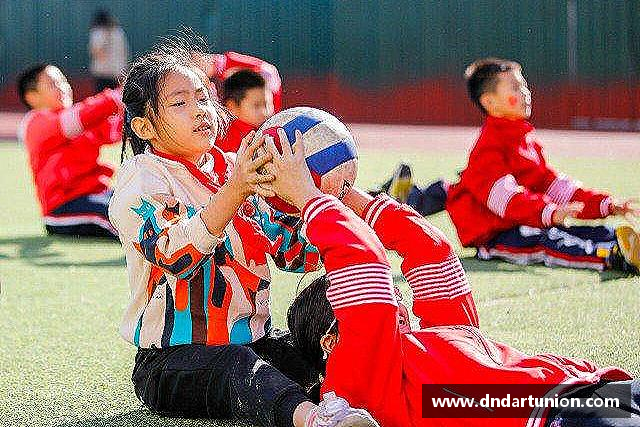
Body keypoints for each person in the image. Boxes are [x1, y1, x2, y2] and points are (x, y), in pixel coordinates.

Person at [261, 137, 638, 427]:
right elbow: (364, 261)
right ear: (332, 340)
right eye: (381, 297)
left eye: (395, 294)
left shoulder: (428, 350)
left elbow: (432, 249)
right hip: (561, 416)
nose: (399, 301)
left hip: (596, 391)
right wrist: (308, 198)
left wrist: (353, 197)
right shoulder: (356, 381)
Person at [107, 39, 377, 427]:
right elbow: (173, 256)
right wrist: (236, 190)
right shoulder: (141, 180)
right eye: (179, 103)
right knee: (239, 367)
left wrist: (321, 200)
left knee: (319, 345)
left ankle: (383, 399)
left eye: (202, 96)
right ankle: (317, 421)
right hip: (171, 361)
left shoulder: (235, 166)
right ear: (145, 126)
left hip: (254, 342)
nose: (199, 109)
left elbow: (295, 254)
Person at [384, 58, 640, 273]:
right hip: (497, 233)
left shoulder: (524, 139)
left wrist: (606, 204)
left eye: (524, 84)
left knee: (595, 230)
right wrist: (550, 212)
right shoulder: (488, 148)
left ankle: (617, 240)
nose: (525, 92)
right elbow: (507, 201)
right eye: (515, 87)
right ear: (489, 102)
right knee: (546, 240)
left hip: (525, 219)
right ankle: (612, 256)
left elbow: (556, 187)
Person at [17, 63, 122, 239]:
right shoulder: (35, 123)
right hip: (63, 207)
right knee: (115, 217)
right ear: (32, 97)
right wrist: (118, 96)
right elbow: (79, 117)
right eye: (53, 84)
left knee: (136, 203)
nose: (63, 87)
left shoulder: (80, 121)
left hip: (98, 195)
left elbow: (119, 129)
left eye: (63, 81)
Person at [217, 69, 274, 153]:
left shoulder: (267, 128)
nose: (265, 112)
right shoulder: (225, 141)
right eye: (256, 105)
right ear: (232, 106)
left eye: (267, 104)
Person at [89, 9, 129, 92]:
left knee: (101, 100)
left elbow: (96, 52)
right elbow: (124, 53)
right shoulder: (119, 33)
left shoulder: (97, 33)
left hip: (102, 74)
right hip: (117, 73)